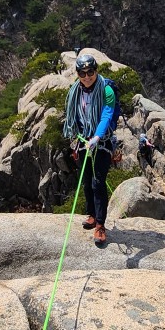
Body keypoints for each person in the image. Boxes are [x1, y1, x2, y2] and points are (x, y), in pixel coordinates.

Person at [63, 53, 116, 248]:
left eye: (90, 72)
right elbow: (73, 116)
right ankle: (92, 215)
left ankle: (101, 225)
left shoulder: (107, 90)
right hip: (83, 141)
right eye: (82, 73)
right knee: (86, 181)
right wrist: (81, 137)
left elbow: (107, 115)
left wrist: (97, 136)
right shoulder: (75, 91)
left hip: (101, 142)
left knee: (97, 182)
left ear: (96, 70)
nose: (87, 77)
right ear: (77, 73)